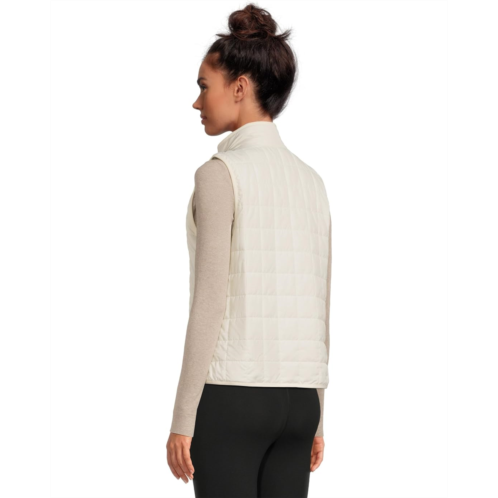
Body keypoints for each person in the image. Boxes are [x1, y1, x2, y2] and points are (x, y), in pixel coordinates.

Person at [166, 4, 332, 497]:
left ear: (239, 87)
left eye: (204, 86)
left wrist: (182, 418)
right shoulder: (312, 182)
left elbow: (209, 301)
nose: (197, 102)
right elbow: (319, 305)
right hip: (300, 405)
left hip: (233, 399)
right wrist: (319, 416)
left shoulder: (220, 175)